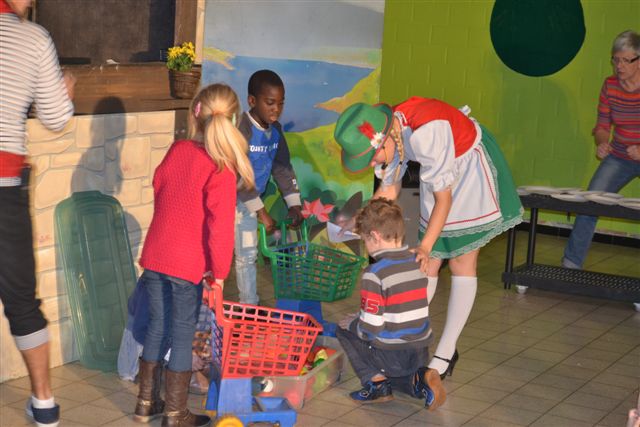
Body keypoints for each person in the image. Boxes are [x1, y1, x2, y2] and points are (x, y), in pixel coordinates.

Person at [334, 98, 523, 381]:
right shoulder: (392, 131)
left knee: (460, 261)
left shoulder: (426, 134)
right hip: (441, 173)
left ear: (384, 141)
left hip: (468, 167)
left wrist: (424, 245)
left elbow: (443, 201)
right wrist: (357, 220)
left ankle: (446, 351)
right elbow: (389, 189)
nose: (372, 164)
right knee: (428, 264)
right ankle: (401, 335)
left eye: (372, 157)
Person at [134, 83, 255, 427]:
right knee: (183, 331)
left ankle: (145, 403)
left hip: (155, 254)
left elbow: (159, 186)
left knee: (158, 325)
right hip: (186, 264)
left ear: (195, 113)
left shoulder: (178, 149)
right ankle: (175, 413)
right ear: (234, 119)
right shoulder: (222, 168)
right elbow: (220, 229)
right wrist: (219, 273)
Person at [0, 1, 75, 426]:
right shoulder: (32, 37)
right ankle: (44, 404)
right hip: (3, 187)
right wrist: (65, 90)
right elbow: (56, 117)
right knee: (21, 300)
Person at [336, 198, 445, 409]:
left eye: (365, 240)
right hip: (419, 351)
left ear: (375, 236)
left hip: (392, 354)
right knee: (394, 379)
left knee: (344, 330)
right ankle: (419, 381)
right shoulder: (418, 262)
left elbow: (370, 329)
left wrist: (353, 323)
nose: (366, 246)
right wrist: (361, 316)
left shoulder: (375, 273)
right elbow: (397, 307)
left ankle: (376, 383)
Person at [562, 30, 640, 270]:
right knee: (591, 202)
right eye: (615, 60)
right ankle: (571, 264)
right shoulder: (610, 85)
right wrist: (602, 142)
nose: (619, 66)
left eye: (626, 60)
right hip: (620, 157)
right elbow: (602, 126)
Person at [235, 69, 303, 304]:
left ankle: (249, 306)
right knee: (229, 256)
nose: (276, 109)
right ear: (252, 101)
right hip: (229, 200)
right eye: (270, 103)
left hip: (250, 203)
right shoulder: (241, 129)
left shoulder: (275, 131)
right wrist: (262, 212)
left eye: (280, 103)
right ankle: (219, 306)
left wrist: (294, 205)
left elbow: (282, 168)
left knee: (247, 254)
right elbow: (238, 176)